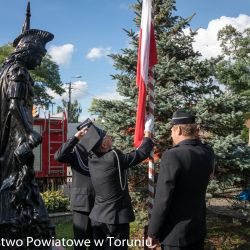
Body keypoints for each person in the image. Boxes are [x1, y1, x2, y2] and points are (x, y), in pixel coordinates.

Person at [0, 27, 54, 239]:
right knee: (18, 181)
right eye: (39, 55)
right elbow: (15, 106)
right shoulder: (18, 72)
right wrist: (29, 132)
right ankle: (20, 225)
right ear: (28, 51)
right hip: (17, 139)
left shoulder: (5, 69)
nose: (39, 62)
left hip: (9, 139)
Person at [77, 115, 154, 250]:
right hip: (116, 219)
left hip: (98, 217)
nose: (110, 137)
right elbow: (141, 154)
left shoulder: (92, 159)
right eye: (106, 136)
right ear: (104, 144)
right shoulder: (113, 157)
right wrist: (147, 132)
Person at [147, 111, 215, 250]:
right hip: (197, 229)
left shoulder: (172, 155)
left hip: (175, 234)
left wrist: (152, 233)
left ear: (178, 130)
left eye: (172, 130)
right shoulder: (208, 151)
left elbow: (162, 200)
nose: (171, 134)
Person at [55, 126, 95, 250]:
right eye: (85, 132)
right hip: (81, 204)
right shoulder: (76, 150)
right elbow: (59, 156)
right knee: (80, 242)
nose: (88, 134)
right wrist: (76, 138)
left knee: (97, 242)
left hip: (99, 204)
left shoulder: (99, 150)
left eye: (90, 131)